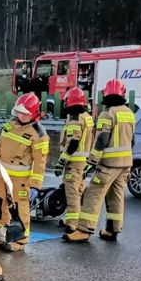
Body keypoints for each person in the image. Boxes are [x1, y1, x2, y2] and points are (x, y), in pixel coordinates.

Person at [63, 79, 136, 243]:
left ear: (106, 94)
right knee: (116, 196)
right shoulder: (130, 113)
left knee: (93, 194)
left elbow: (102, 140)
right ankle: (112, 230)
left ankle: (83, 230)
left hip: (108, 164)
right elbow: (133, 140)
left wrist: (92, 161)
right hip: (125, 164)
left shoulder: (107, 114)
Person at [0, 92, 49, 250]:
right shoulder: (10, 125)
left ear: (33, 114)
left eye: (24, 113)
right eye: (19, 112)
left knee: (19, 210)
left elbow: (40, 162)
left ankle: (20, 240)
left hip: (21, 181)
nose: (20, 115)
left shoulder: (39, 134)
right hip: (2, 176)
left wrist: (36, 185)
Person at [55, 87, 94, 231]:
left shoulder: (74, 118)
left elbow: (73, 142)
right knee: (78, 191)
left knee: (71, 192)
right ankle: (76, 218)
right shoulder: (87, 117)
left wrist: (61, 161)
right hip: (83, 161)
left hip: (73, 161)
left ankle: (72, 223)